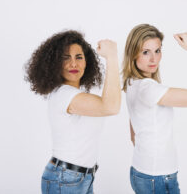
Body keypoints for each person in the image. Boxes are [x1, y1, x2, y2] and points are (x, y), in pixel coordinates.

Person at [122, 24, 187, 194]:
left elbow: (134, 133)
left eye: (157, 51)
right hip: (157, 177)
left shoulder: (131, 83)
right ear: (133, 53)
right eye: (145, 52)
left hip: (141, 171)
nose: (154, 59)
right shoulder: (149, 90)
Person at [25, 30, 121, 194]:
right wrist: (111, 57)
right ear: (54, 64)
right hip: (65, 180)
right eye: (65, 58)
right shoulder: (64, 94)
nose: (73, 64)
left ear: (87, 61)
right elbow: (110, 107)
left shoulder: (76, 94)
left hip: (80, 178)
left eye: (78, 57)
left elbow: (108, 105)